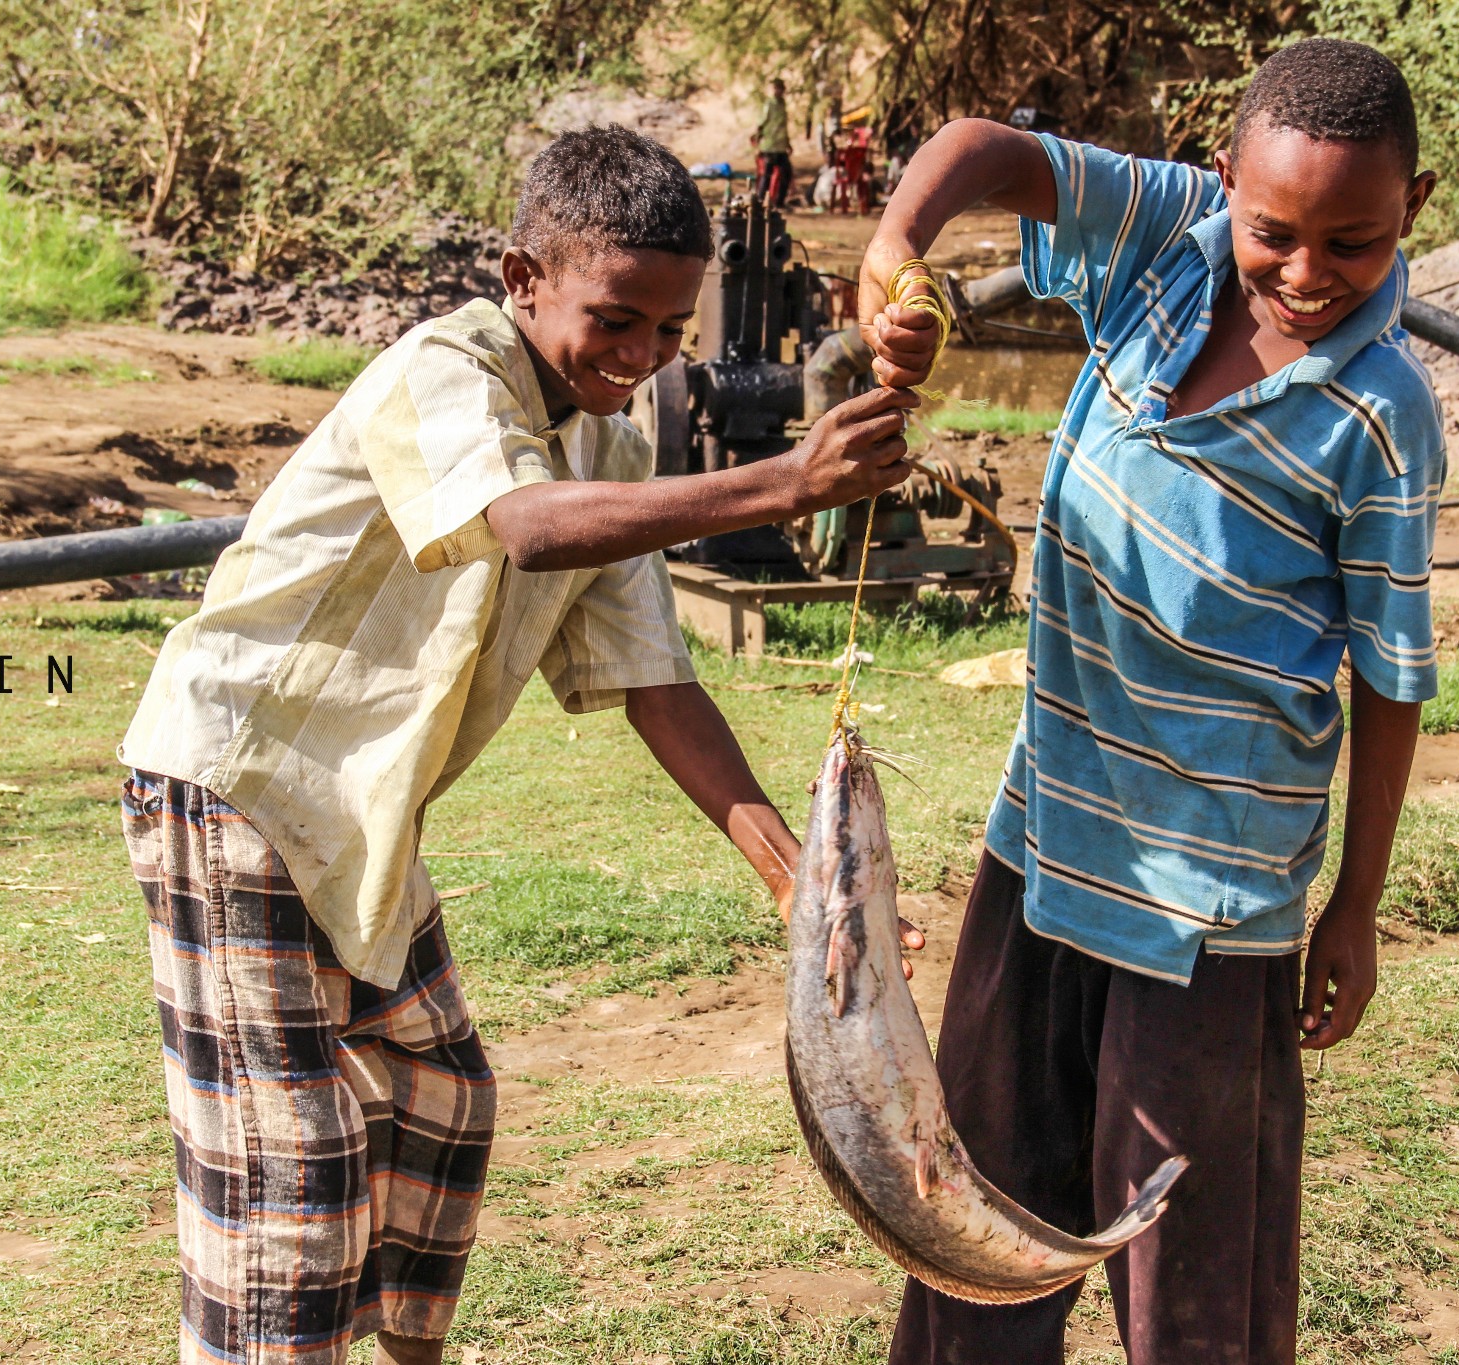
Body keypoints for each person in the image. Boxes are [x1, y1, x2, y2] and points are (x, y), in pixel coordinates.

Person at [117, 124, 923, 1365]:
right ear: (520, 278)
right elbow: (527, 529)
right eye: (614, 319)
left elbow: (655, 680)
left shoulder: (610, 439)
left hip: (360, 806)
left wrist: (798, 883)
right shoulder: (444, 370)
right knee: (296, 1186)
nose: (639, 357)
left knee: (444, 1106)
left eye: (668, 332)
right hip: (236, 783)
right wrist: (784, 485)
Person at [857, 38, 1442, 1365]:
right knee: (977, 1219)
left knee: (1185, 1267)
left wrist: (1354, 901)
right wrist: (892, 249)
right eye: (1274, 230)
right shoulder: (1167, 239)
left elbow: (1389, 675)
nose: (1304, 273)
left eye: (1351, 243)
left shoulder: (1382, 413)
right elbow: (983, 153)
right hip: (1048, 838)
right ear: (1223, 178)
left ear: (1416, 207)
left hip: (1211, 904)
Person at [756, 77, 794, 206]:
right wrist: (758, 136)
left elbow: (783, 125)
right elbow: (762, 121)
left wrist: (787, 143)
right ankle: (760, 202)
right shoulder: (769, 104)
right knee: (766, 176)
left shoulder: (782, 103)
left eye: (780, 88)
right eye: (776, 88)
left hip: (781, 146)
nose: (778, 91)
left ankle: (779, 203)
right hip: (770, 146)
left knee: (786, 174)